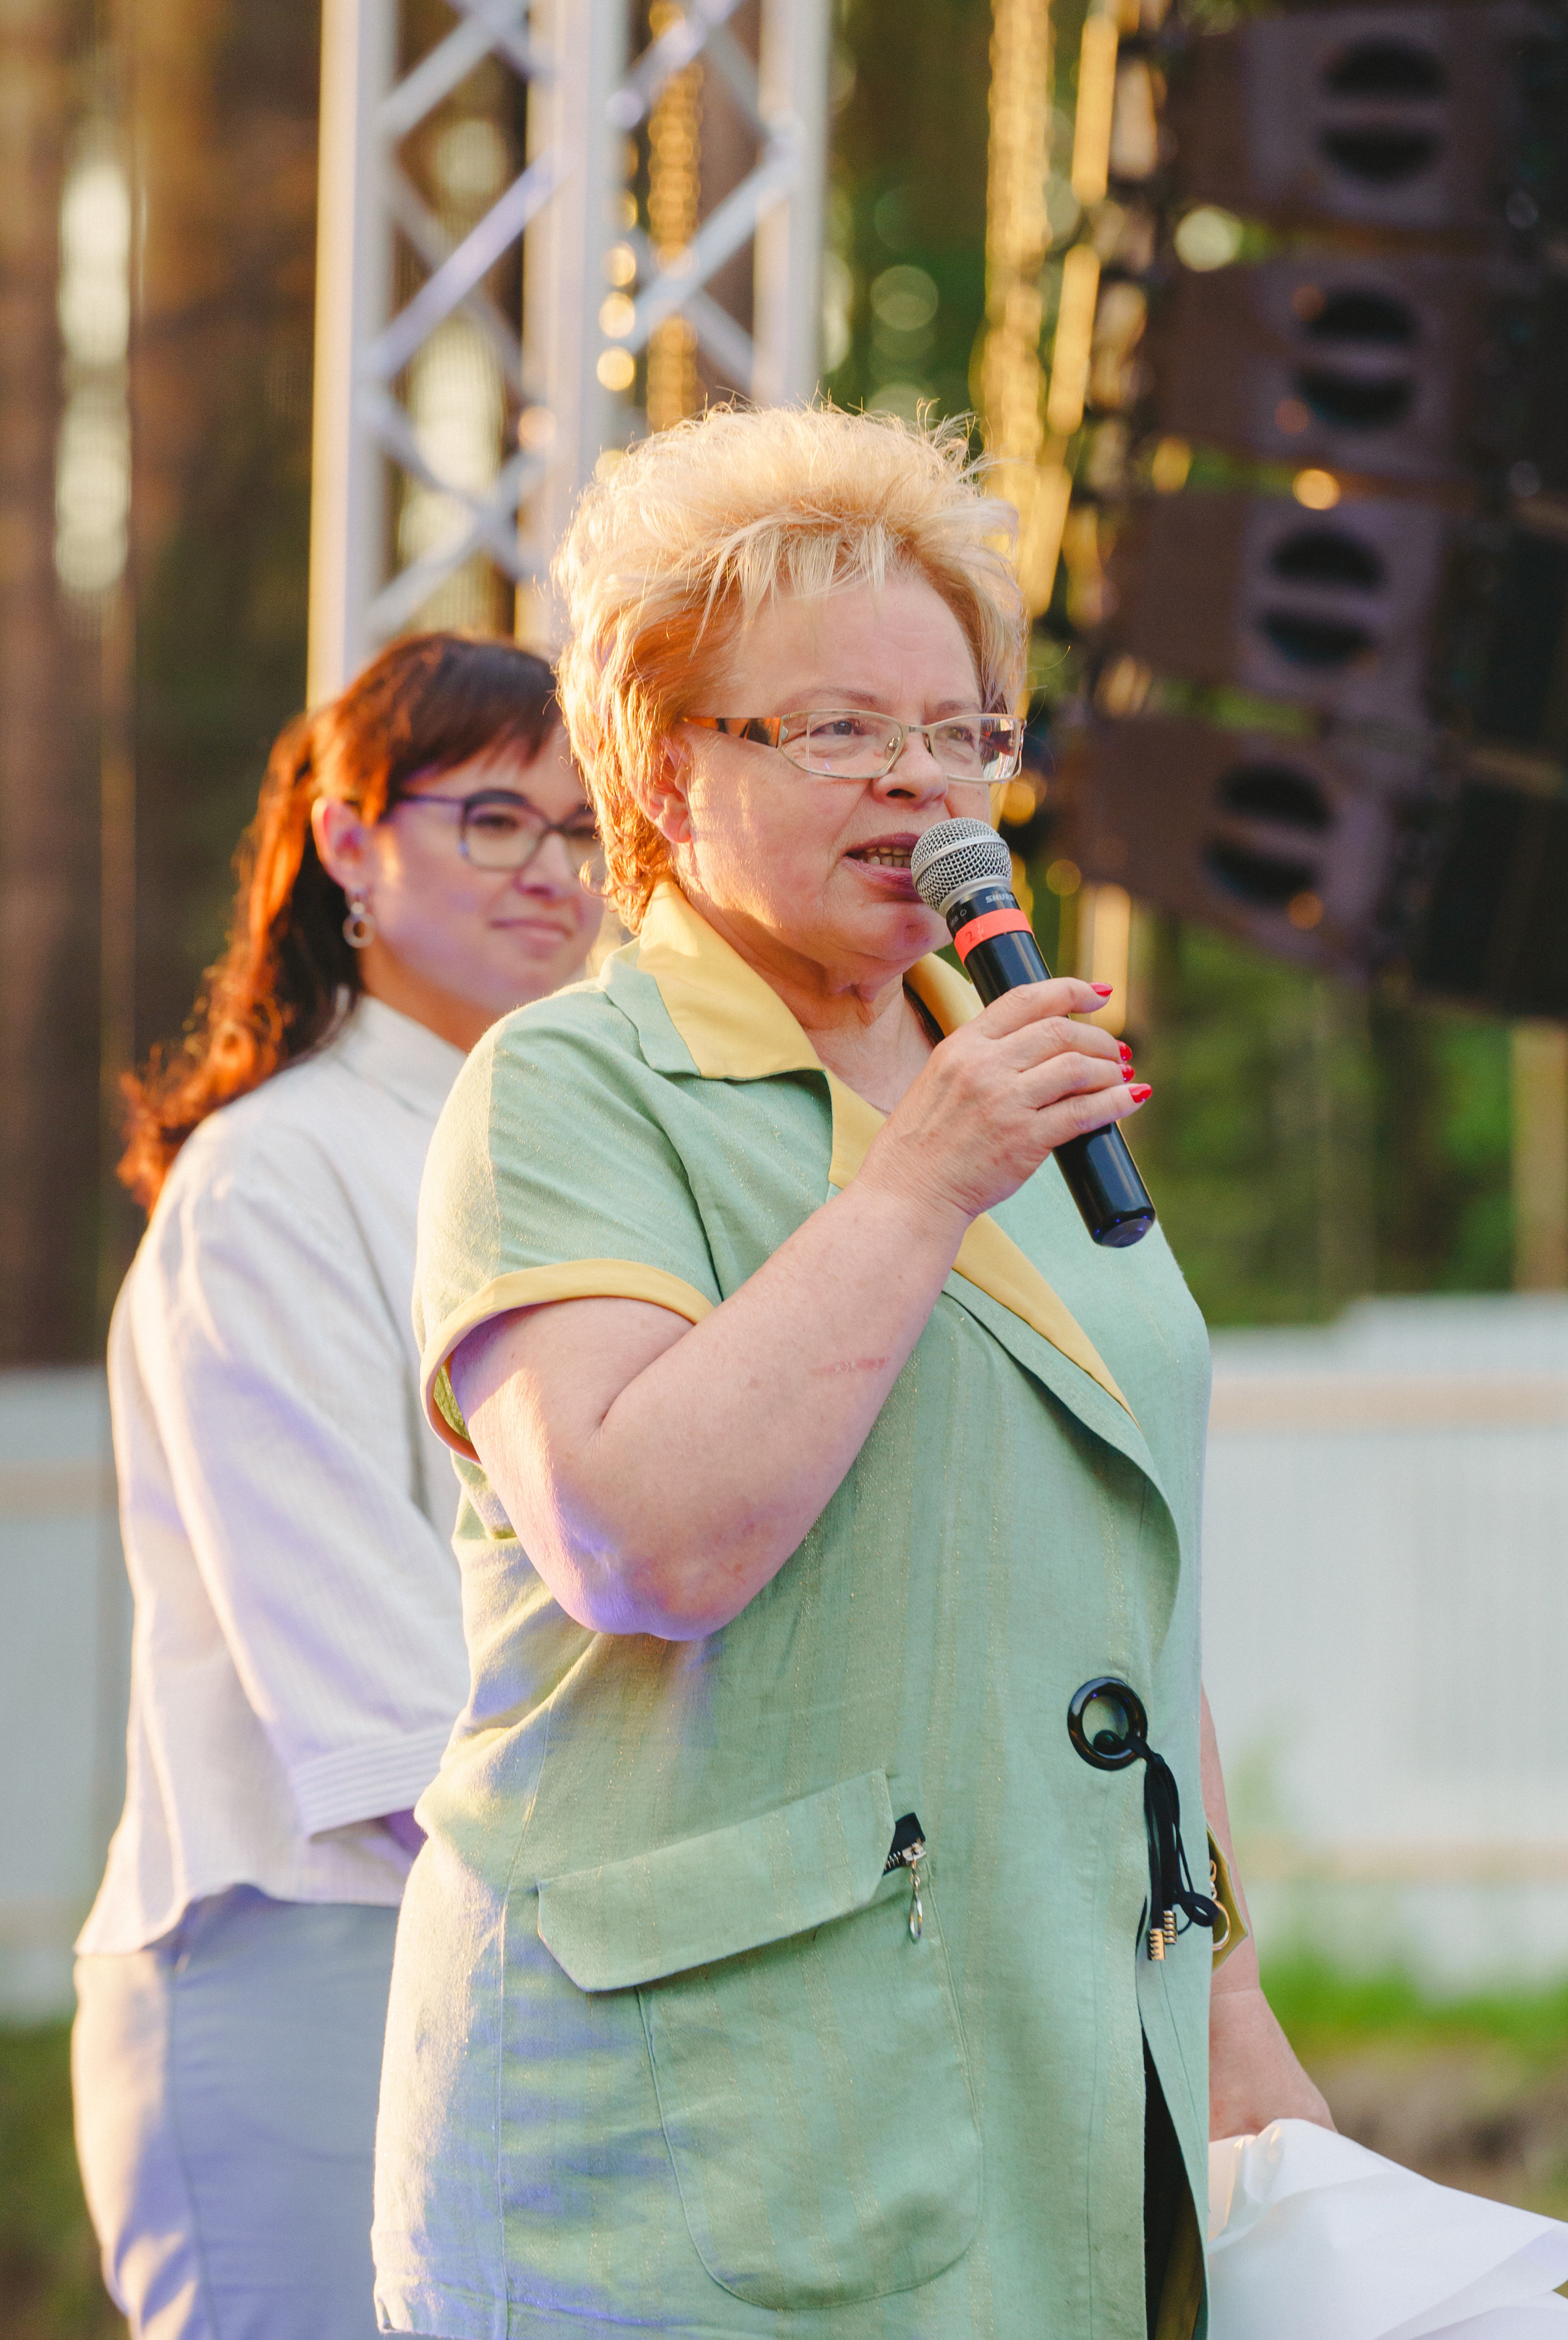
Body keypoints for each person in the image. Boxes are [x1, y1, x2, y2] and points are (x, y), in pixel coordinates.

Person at [374, 407, 1330, 2340]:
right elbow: (645, 1544)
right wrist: (928, 1172)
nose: (926, 786)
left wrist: (1225, 1997)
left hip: (1064, 2059)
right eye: (837, 731)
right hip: (711, 2127)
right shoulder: (569, 1086)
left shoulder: (1010, 1075)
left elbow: (1124, 1576)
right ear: (657, 758)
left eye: (966, 730)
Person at [72, 632, 605, 2340]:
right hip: (306, 1952)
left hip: (528, 1938)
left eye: (588, 835)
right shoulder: (272, 1177)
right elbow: (366, 1675)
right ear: (348, 843)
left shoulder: (552, 1163)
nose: (555, 876)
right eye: (497, 821)